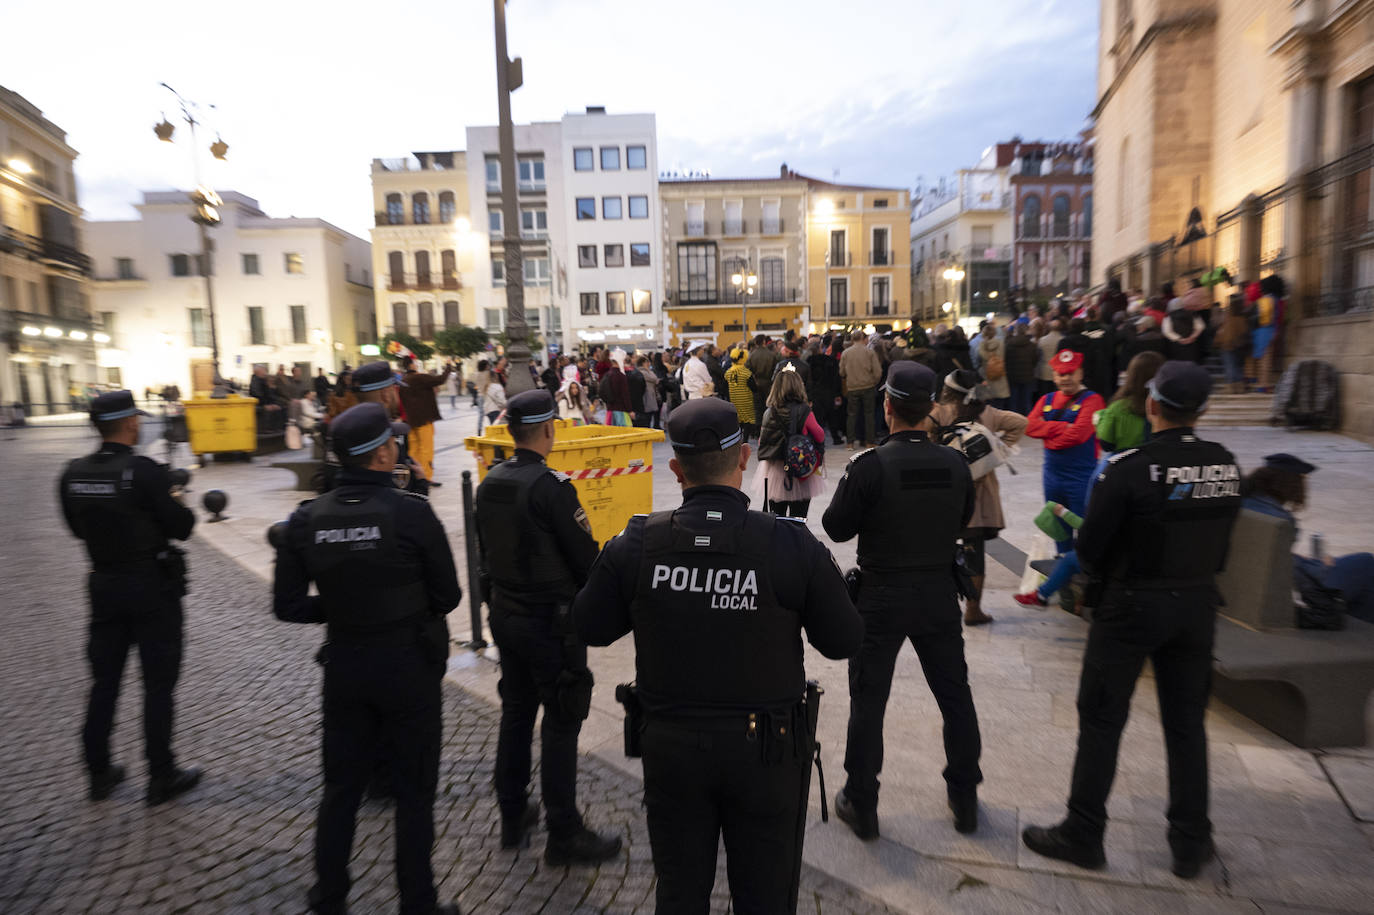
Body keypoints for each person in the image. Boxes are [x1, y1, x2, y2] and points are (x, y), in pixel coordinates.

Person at [571, 397, 863, 911]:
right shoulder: (790, 544)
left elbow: (589, 627)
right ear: (745, 456)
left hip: (672, 749)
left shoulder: (637, 543)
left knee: (680, 892)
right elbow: (842, 642)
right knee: (766, 897)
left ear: (676, 468)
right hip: (766, 752)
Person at [1022, 362, 1243, 881]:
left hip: (1131, 605)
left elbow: (1091, 551)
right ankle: (1190, 841)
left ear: (1151, 405)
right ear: (1202, 411)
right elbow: (1224, 547)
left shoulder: (1127, 468)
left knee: (1101, 718)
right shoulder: (1226, 465)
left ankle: (1083, 830)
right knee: (1186, 723)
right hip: (1195, 606)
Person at [271, 402, 462, 915]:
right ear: (382, 453)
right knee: (414, 792)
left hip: (346, 664)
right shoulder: (410, 512)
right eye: (393, 442)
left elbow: (286, 606)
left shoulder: (307, 518)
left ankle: (329, 895)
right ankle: (417, 903)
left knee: (340, 788)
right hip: (408, 667)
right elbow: (448, 596)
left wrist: (340, 607)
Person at [822, 362, 984, 840]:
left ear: (887, 405)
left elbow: (835, 527)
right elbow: (964, 518)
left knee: (869, 700)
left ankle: (862, 801)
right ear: (930, 408)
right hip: (937, 592)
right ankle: (965, 797)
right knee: (955, 695)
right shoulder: (955, 462)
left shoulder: (869, 465)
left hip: (881, 595)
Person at [474, 390, 623, 866]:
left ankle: (513, 814)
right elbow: (587, 559)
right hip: (549, 623)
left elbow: (484, 556)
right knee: (561, 720)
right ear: (548, 431)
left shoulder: (490, 481)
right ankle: (564, 832)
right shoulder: (552, 487)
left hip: (506, 615)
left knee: (517, 713)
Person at [60, 391, 201, 806]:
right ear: (131, 423)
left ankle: (98, 771)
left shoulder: (72, 473)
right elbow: (183, 527)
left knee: (104, 681)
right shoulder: (144, 472)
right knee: (158, 685)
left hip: (104, 587)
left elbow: (76, 529)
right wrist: (174, 496)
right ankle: (161, 775)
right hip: (151, 589)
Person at [930, 370, 1027, 626]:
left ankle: (941, 605)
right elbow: (1020, 422)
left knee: (940, 552)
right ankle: (973, 611)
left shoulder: (938, 412)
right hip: (979, 497)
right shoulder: (988, 413)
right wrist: (999, 451)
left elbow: (924, 436)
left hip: (945, 495)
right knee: (975, 555)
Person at [1243, 453, 1374, 624]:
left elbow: (1265, 554)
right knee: (1365, 563)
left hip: (1253, 581)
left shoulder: (1244, 504)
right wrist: (1318, 565)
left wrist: (1298, 558)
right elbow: (1278, 566)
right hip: (1290, 588)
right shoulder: (1280, 520)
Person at [1026, 350, 1105, 554]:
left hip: (1081, 476)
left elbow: (1079, 435)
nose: (1066, 378)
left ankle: (1086, 572)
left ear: (1080, 373)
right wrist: (1061, 428)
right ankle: (1063, 566)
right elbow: (1028, 426)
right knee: (1058, 528)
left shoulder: (1093, 400)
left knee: (1085, 527)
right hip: (1052, 475)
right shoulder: (1046, 399)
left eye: (1071, 373)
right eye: (1061, 374)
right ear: (1054, 376)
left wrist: (1048, 435)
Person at [754, 364, 826, 518]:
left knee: (776, 517)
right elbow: (820, 435)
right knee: (798, 519)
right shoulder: (804, 410)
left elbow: (762, 441)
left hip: (775, 471)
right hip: (799, 468)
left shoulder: (769, 412)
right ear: (799, 386)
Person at [1093, 351, 1166, 454]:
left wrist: (1099, 419)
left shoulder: (1117, 408)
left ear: (1131, 376)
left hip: (1126, 464)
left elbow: (1107, 444)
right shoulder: (1167, 406)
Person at [399, 358, 451, 486]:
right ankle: (426, 477)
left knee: (413, 450)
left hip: (410, 421)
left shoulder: (402, 380)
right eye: (415, 363)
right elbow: (440, 379)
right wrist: (448, 366)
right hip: (423, 419)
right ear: (411, 365)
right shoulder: (419, 378)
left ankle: (413, 476)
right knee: (426, 449)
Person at [839, 330, 882, 450]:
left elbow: (841, 372)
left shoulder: (846, 353)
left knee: (851, 415)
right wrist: (873, 382)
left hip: (852, 387)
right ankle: (869, 442)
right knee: (869, 415)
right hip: (867, 386)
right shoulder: (870, 352)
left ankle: (850, 443)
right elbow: (878, 372)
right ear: (863, 338)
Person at [1004, 323, 1039, 415]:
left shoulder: (1009, 344)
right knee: (1027, 401)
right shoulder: (1032, 345)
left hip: (1012, 376)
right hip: (1028, 376)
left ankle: (1013, 421)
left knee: (1013, 401)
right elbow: (1035, 360)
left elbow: (1005, 360)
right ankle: (1029, 422)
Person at [976, 323, 1010, 409]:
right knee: (999, 408)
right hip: (1000, 376)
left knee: (987, 409)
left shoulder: (981, 346)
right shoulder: (1001, 343)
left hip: (987, 378)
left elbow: (978, 360)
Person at [1035, 319, 1064, 399]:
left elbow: (1038, 355)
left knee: (1044, 396)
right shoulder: (1063, 340)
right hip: (1057, 371)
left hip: (1044, 371)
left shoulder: (1042, 340)